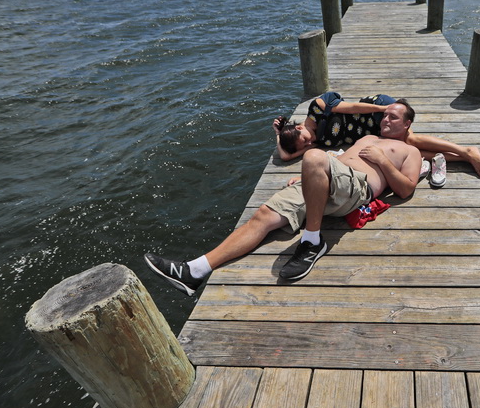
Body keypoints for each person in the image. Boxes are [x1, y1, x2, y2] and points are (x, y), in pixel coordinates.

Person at [144, 99, 422, 295]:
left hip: (356, 189)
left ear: (407, 123)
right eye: (385, 115)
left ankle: (312, 241)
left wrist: (382, 161)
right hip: (328, 181)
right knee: (263, 215)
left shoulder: (409, 151)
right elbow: (318, 157)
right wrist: (311, 178)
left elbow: (406, 189)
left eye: (393, 116)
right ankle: (194, 271)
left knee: (315, 155)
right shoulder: (366, 138)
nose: (385, 119)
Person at [274, 92, 480, 180]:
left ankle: (465, 150)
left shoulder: (319, 106)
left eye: (305, 139)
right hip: (372, 133)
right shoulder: (313, 139)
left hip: (373, 112)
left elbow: (353, 107)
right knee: (411, 152)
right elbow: (285, 156)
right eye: (305, 144)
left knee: (410, 140)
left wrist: (383, 109)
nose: (309, 143)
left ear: (300, 127)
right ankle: (463, 158)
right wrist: (278, 134)